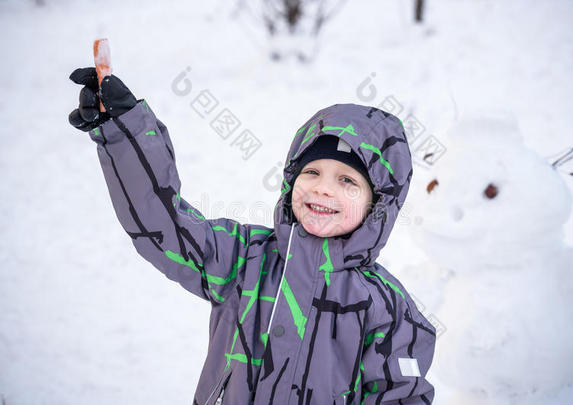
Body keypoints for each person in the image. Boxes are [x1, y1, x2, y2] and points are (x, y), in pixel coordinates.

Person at [68, 67, 437, 405]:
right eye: (312, 173)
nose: (323, 189)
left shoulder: (388, 310)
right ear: (291, 180)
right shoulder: (244, 258)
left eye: (347, 180)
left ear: (379, 205)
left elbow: (401, 396)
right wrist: (125, 133)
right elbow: (165, 227)